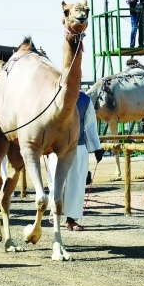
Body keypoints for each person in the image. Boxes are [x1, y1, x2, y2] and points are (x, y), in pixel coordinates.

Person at [46, 91, 104, 231]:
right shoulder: (54, 95)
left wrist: (96, 147)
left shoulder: (85, 99)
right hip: (57, 147)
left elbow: (90, 124)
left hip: (79, 147)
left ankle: (71, 220)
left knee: (76, 183)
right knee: (56, 181)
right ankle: (54, 211)